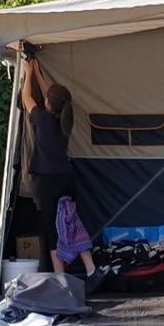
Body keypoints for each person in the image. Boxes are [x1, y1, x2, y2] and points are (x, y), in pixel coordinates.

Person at [20, 52, 104, 293]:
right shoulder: (64, 120)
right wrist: (37, 72)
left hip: (46, 184)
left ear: (48, 103)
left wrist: (27, 75)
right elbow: (53, 97)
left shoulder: (43, 120)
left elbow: (27, 98)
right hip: (67, 181)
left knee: (52, 229)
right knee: (72, 223)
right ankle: (91, 270)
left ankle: (61, 280)